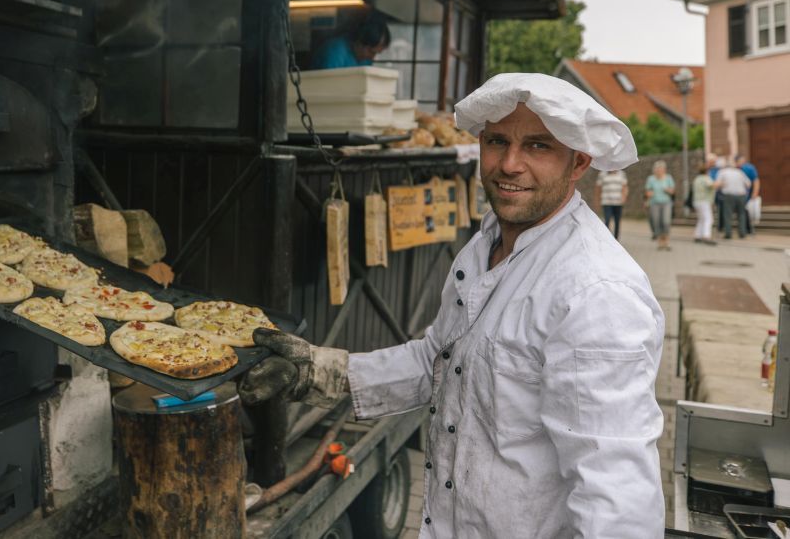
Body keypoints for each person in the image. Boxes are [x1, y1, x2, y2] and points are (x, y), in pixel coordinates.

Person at [240, 73, 665, 538]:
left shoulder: (596, 293)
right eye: (497, 141)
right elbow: (440, 361)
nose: (510, 164)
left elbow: (617, 499)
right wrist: (323, 371)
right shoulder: (485, 245)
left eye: (538, 147)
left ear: (578, 162)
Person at [310, 12, 391, 69]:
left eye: (376, 53)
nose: (373, 57)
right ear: (360, 41)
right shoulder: (335, 53)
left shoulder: (366, 60)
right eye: (371, 51)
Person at [715, 157, 751, 239]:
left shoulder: (722, 172)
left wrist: (721, 187)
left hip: (728, 195)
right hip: (741, 195)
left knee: (728, 214)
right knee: (741, 214)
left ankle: (728, 233)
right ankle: (742, 233)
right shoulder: (739, 172)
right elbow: (748, 184)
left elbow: (717, 184)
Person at [645, 160, 675, 251]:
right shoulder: (651, 179)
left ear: (664, 170)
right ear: (654, 170)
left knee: (666, 222)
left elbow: (673, 191)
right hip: (654, 203)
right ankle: (660, 242)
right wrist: (649, 194)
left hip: (666, 202)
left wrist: (668, 190)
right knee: (656, 222)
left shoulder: (668, 178)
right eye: (657, 169)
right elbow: (647, 191)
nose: (659, 171)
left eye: (661, 169)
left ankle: (666, 241)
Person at [593, 169, 628, 238]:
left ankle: (616, 238)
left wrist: (624, 198)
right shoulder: (602, 174)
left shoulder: (622, 174)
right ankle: (607, 237)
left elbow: (625, 187)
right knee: (607, 219)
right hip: (606, 202)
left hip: (618, 202)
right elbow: (598, 188)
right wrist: (597, 200)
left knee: (617, 221)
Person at [735, 154, 761, 233]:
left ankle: (748, 228)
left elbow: (756, 180)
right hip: (737, 194)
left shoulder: (749, 168)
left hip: (747, 194)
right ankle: (744, 228)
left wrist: (755, 193)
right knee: (742, 211)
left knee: (748, 211)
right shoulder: (735, 169)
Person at [691, 163, 716, 244]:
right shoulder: (706, 178)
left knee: (701, 219)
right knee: (709, 219)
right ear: (707, 171)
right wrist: (719, 184)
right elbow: (711, 185)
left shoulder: (697, 179)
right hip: (704, 201)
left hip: (696, 201)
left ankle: (697, 235)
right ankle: (706, 236)